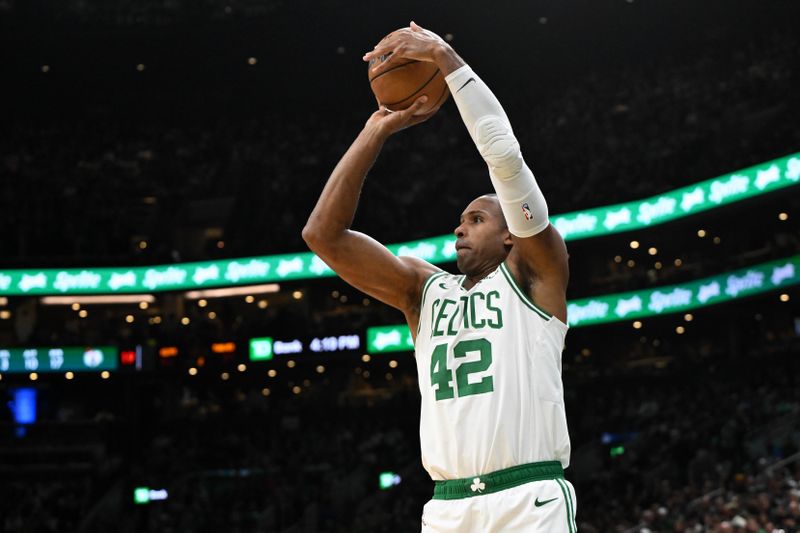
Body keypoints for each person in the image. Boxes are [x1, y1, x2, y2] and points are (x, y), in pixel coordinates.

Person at [302, 22, 576, 533]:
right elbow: (323, 235)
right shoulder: (423, 291)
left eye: (476, 219)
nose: (459, 228)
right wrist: (375, 130)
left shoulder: (538, 274)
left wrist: (445, 58)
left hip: (528, 496)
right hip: (448, 506)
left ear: (512, 234)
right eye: (461, 220)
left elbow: (504, 158)